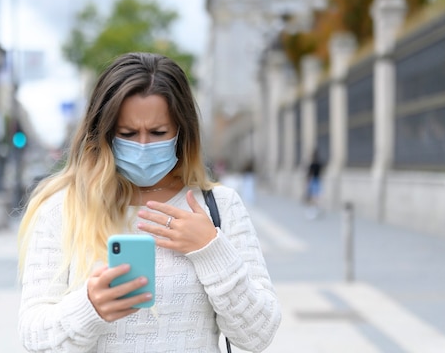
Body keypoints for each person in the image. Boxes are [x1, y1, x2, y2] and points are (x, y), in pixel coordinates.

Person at [17, 52, 281, 352]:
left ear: (182, 132)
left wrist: (211, 249)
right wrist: (89, 307)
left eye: (158, 133)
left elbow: (258, 335)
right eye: (127, 133)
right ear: (104, 132)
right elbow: (34, 338)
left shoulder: (220, 206)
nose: (143, 146)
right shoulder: (62, 209)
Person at [304, 150, 323, 219]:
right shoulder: (319, 164)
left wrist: (308, 183)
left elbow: (309, 174)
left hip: (313, 181)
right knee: (316, 197)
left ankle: (312, 210)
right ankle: (316, 210)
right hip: (318, 181)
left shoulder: (312, 164)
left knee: (312, 197)